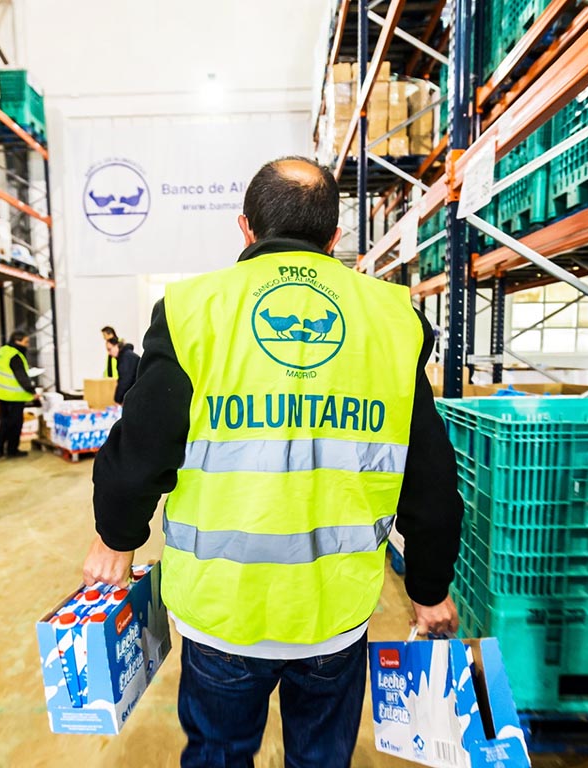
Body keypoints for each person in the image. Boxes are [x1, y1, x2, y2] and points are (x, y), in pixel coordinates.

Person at [82, 157, 464, 767]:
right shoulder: (393, 320)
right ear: (335, 237)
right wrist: (429, 587)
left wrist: (115, 539)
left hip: (223, 612)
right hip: (335, 613)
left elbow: (141, 451)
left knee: (220, 754)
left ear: (245, 227)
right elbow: (430, 477)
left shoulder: (193, 309)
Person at [0, 330, 35, 458]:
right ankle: (12, 450)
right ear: (17, 341)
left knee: (4, 422)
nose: (27, 345)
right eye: (26, 342)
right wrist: (32, 391)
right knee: (15, 423)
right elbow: (21, 376)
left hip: (1, 393)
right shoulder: (15, 355)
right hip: (14, 395)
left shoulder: (2, 351)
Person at [105, 337, 140, 405]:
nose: (109, 353)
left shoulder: (126, 357)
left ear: (116, 346)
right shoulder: (126, 356)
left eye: (109, 349)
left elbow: (125, 381)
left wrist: (117, 400)